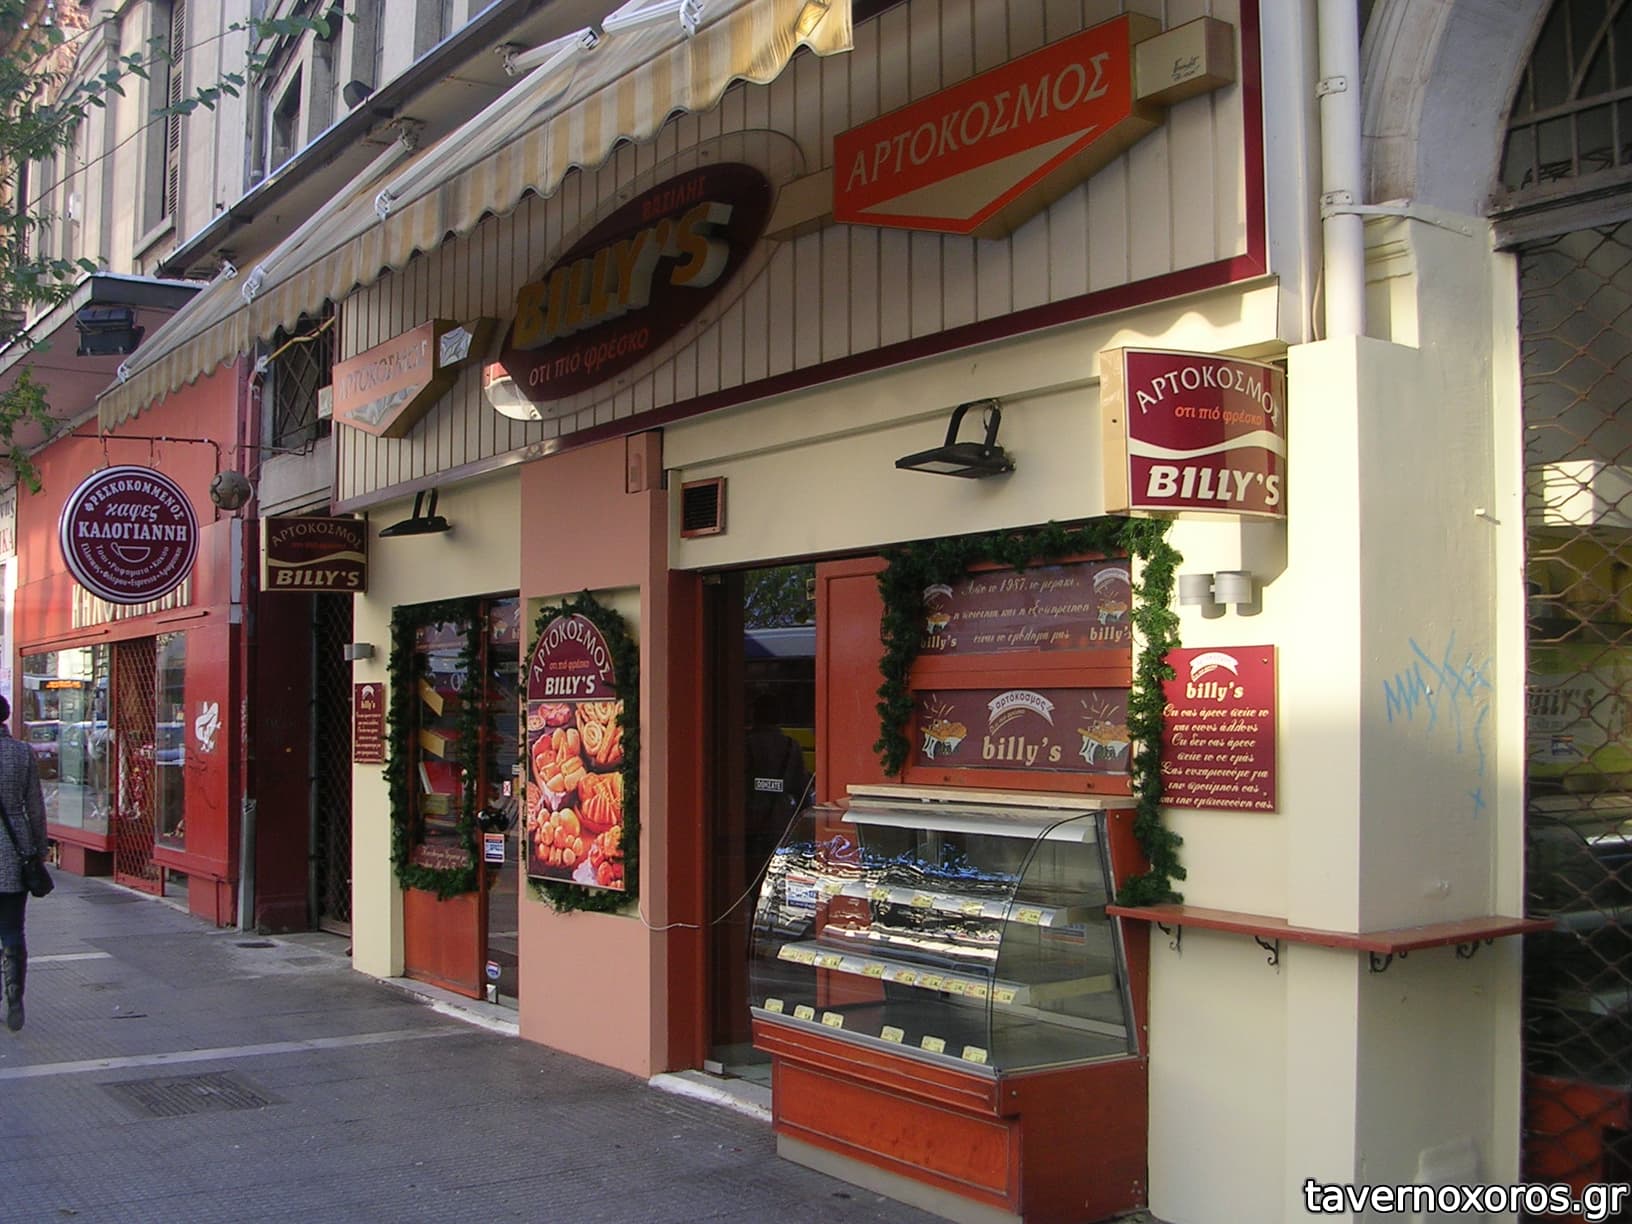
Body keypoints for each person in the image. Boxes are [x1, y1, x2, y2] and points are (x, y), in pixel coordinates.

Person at [0, 694, 48, 1032]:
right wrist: (39, 849)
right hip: (16, 850)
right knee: (12, 928)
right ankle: (15, 997)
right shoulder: (21, 753)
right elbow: (35, 805)